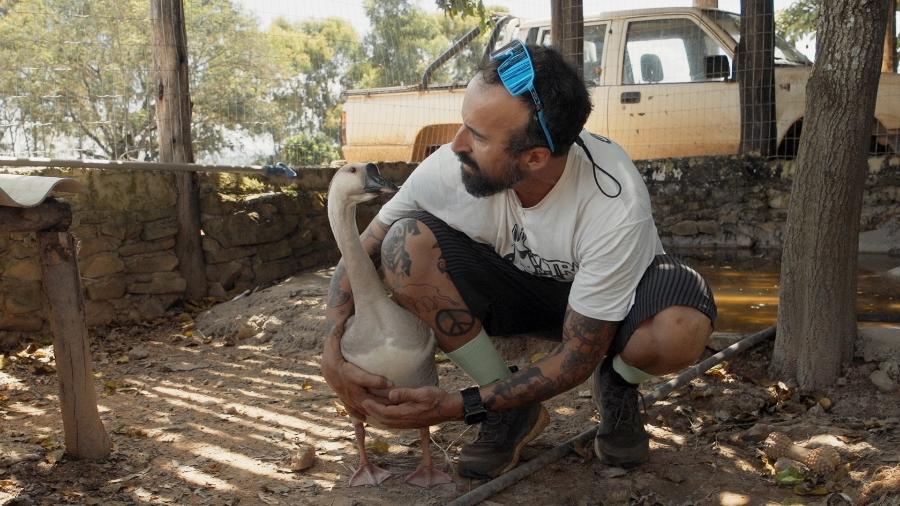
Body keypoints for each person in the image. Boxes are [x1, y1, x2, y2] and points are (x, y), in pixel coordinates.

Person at [321, 41, 717, 480]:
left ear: (534, 158)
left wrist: (460, 405)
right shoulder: (446, 168)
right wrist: (331, 347)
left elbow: (577, 356)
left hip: (608, 310)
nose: (456, 145)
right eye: (464, 124)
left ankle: (619, 384)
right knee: (403, 244)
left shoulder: (613, 204)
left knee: (679, 327)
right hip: (516, 290)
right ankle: (511, 410)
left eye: (478, 136)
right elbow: (362, 248)